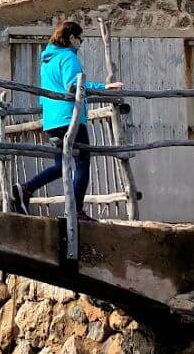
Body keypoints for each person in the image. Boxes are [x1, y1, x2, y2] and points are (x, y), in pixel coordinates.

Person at [12, 21, 121, 219]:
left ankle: (27, 188)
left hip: (52, 121)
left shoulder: (47, 61)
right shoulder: (68, 57)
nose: (81, 43)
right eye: (80, 38)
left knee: (61, 165)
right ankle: (76, 211)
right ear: (71, 38)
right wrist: (104, 87)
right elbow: (73, 86)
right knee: (82, 163)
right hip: (70, 119)